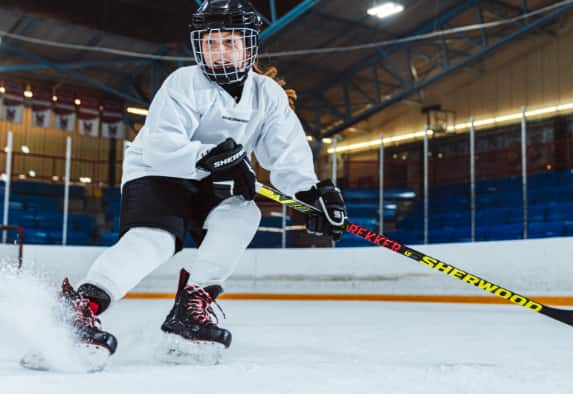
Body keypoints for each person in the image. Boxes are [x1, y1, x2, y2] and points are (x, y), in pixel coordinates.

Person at [42, 0, 347, 368]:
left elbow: (287, 155)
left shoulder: (268, 95)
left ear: (250, 46)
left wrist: (312, 194)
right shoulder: (183, 83)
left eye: (230, 42)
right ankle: (80, 305)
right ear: (198, 46)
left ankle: (190, 310)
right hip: (160, 170)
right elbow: (161, 144)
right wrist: (213, 158)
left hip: (214, 182)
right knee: (155, 240)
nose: (219, 52)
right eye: (210, 42)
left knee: (243, 212)